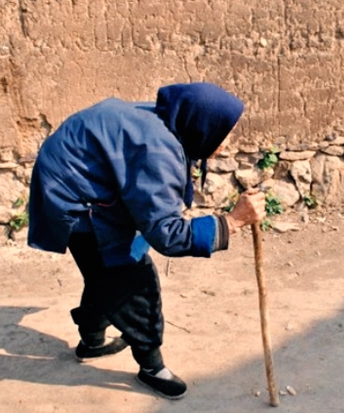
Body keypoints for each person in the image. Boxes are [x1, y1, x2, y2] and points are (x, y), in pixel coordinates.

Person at [27, 82, 266, 400]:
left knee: (104, 273)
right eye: (223, 133)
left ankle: (92, 341)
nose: (226, 143)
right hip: (74, 199)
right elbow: (167, 236)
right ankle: (151, 367)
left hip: (77, 180)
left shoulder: (168, 121)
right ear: (202, 126)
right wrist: (233, 221)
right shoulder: (157, 149)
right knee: (135, 282)